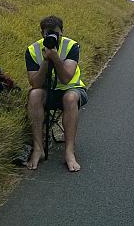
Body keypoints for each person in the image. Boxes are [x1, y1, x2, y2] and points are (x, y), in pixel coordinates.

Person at [25, 15, 88, 172]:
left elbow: (66, 78)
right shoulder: (33, 50)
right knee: (34, 95)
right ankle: (38, 148)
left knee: (70, 98)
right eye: (49, 34)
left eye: (56, 34)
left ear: (62, 32)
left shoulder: (71, 46)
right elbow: (35, 83)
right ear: (42, 34)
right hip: (48, 92)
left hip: (72, 89)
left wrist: (55, 58)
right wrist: (46, 61)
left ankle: (69, 152)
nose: (53, 37)